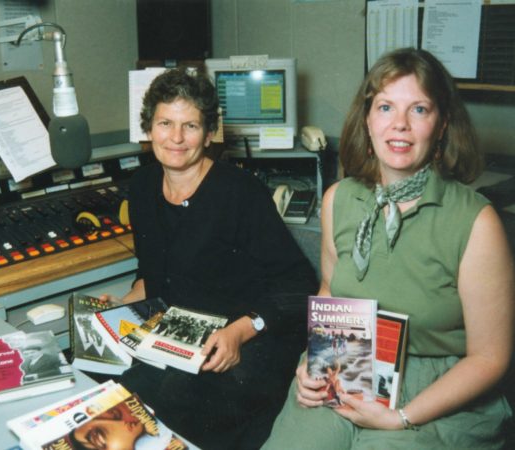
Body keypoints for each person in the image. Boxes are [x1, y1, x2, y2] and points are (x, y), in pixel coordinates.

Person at [263, 47, 514, 449]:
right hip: (348, 363)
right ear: (367, 118)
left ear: (443, 123)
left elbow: (490, 358)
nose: (399, 125)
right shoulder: (337, 200)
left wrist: (400, 417)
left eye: (418, 109)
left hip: (435, 386)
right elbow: (331, 290)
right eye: (385, 107)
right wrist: (315, 362)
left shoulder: (477, 223)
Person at [104, 67, 319, 449]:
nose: (176, 137)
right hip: (179, 339)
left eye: (190, 125)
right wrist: (121, 306)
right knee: (112, 398)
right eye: (165, 123)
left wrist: (240, 331)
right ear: (148, 128)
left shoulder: (240, 193)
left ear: (208, 133)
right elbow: (154, 273)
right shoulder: (141, 187)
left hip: (247, 344)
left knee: (166, 411)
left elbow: (299, 286)